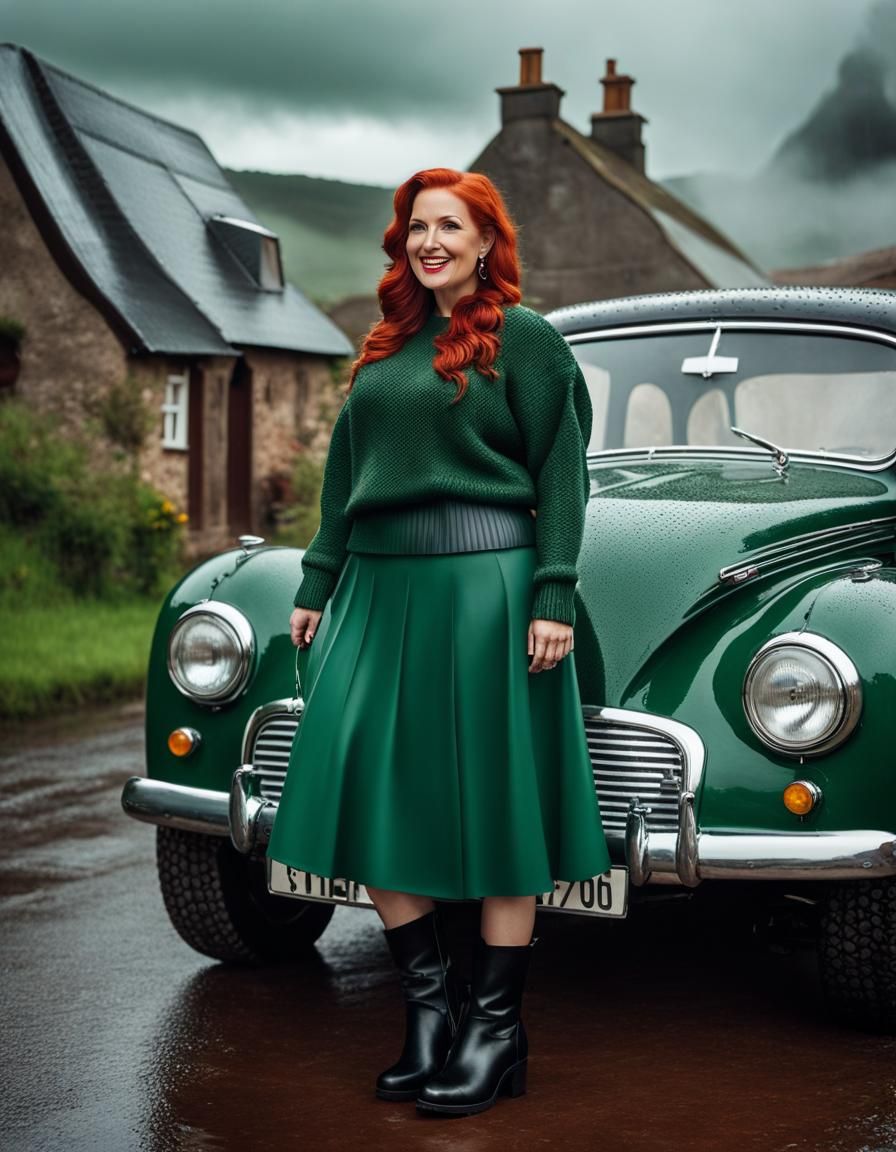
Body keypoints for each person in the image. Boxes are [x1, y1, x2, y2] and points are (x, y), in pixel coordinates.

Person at [266, 166, 610, 1117]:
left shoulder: (527, 339)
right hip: (377, 587)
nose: (429, 242)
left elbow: (564, 474)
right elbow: (346, 472)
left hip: (487, 590)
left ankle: (495, 1031)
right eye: (418, 227)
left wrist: (553, 592)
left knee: (497, 807)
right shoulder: (384, 348)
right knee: (371, 784)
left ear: (486, 240)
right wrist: (318, 576)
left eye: (449, 227)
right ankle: (429, 1012)